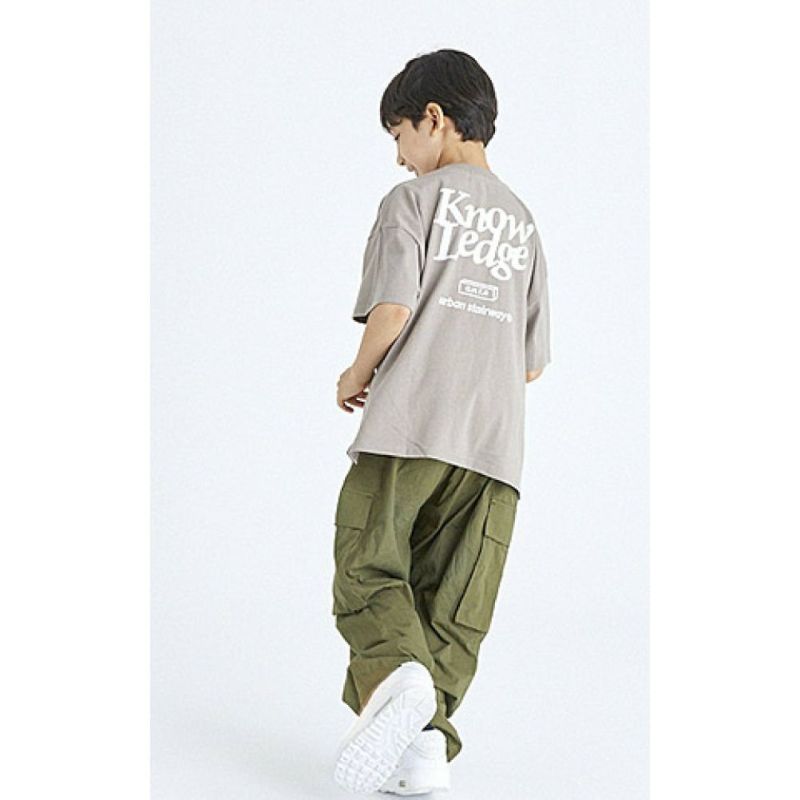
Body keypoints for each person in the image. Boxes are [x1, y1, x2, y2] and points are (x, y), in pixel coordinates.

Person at [331, 48, 551, 795]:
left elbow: (392, 310)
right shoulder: (523, 223)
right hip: (495, 450)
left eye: (399, 136)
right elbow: (531, 363)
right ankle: (424, 749)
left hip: (410, 426)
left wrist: (355, 375)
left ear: (434, 118)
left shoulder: (413, 202)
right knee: (453, 603)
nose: (400, 158)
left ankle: (397, 679)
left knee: (369, 566)